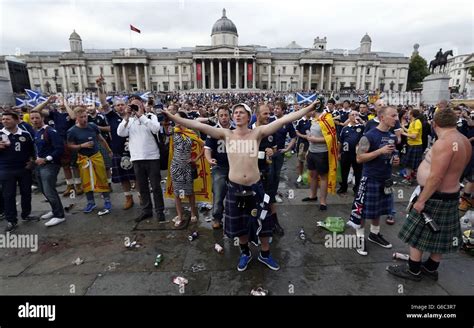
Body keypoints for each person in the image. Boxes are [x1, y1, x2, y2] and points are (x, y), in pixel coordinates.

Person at [162, 99, 320, 272]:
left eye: (241, 112)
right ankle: (245, 253)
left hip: (256, 187)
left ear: (248, 116)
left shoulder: (257, 133)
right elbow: (196, 125)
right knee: (241, 225)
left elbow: (284, 120)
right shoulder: (226, 134)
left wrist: (309, 108)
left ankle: (265, 254)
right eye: (235, 112)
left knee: (264, 222)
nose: (237, 115)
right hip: (235, 188)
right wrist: (172, 116)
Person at [387, 109, 471, 281]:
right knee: (438, 236)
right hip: (451, 194)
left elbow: (436, 177)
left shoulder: (444, 143)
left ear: (435, 124)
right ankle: (431, 269)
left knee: (417, 235)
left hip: (434, 196)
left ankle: (413, 270)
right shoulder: (465, 141)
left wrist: (421, 200)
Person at [348, 106, 400, 256]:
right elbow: (359, 158)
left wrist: (395, 159)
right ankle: (359, 238)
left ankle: (374, 234)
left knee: (380, 209)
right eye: (393, 115)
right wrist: (380, 152)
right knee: (363, 211)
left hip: (386, 178)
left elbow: (393, 153)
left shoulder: (392, 136)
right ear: (382, 117)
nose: (396, 118)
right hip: (370, 177)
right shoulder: (369, 136)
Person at [117, 98, 166, 222]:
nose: (135, 107)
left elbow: (155, 128)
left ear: (142, 105)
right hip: (136, 158)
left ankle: (160, 211)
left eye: (137, 105)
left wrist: (141, 116)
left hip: (152, 157)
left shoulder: (150, 116)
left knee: (155, 186)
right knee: (142, 187)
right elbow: (120, 133)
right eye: (132, 105)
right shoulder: (129, 120)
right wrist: (127, 116)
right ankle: (146, 210)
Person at [96, 76, 136, 210]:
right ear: (114, 107)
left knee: (137, 177)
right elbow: (103, 102)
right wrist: (100, 87)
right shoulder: (112, 116)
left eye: (122, 104)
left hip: (135, 151)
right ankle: (128, 197)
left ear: (126, 106)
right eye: (117, 105)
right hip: (118, 151)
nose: (120, 107)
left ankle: (142, 196)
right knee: (124, 178)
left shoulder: (134, 116)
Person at [67, 107, 113, 214]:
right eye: (81, 117)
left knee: (102, 178)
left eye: (85, 116)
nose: (84, 119)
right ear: (76, 118)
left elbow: (101, 139)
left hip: (96, 156)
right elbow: (69, 146)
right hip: (83, 159)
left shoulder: (92, 126)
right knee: (86, 181)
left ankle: (107, 200)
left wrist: (109, 151)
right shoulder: (72, 131)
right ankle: (91, 202)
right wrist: (82, 145)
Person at [0, 112, 36, 232]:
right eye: (3, 119)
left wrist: (31, 161)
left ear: (16, 120)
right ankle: (11, 220)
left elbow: (32, 150)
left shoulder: (25, 134)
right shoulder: (0, 134)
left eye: (8, 119)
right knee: (8, 195)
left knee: (26, 193)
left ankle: (26, 214)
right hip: (6, 169)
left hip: (23, 168)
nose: (4, 121)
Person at [30, 110, 66, 227]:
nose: (35, 120)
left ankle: (59, 215)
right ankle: (54, 209)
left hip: (50, 165)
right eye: (32, 118)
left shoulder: (50, 131)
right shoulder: (36, 132)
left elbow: (59, 148)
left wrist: (46, 159)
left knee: (49, 190)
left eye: (37, 118)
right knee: (44, 190)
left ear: (42, 118)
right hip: (39, 165)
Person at [168, 111, 204, 226]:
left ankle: (193, 212)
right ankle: (180, 215)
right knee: (178, 193)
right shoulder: (174, 131)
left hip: (187, 166)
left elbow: (204, 145)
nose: (176, 122)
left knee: (189, 192)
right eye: (175, 119)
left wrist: (196, 158)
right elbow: (165, 129)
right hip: (176, 165)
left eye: (178, 119)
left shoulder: (191, 133)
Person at [301, 101, 338, 211]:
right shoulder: (313, 120)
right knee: (312, 174)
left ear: (314, 110)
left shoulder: (327, 119)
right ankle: (313, 195)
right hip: (312, 151)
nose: (307, 112)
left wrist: (315, 139)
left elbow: (332, 137)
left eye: (309, 110)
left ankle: (323, 201)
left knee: (323, 176)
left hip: (322, 153)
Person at [204, 105, 233, 229]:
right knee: (218, 192)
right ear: (217, 116)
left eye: (226, 115)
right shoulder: (213, 130)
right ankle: (217, 217)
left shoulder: (236, 129)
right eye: (221, 115)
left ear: (229, 116)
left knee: (236, 194)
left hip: (234, 166)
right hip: (219, 166)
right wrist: (209, 159)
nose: (224, 118)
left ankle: (234, 217)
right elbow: (207, 149)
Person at [337, 110, 364, 195]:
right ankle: (343, 187)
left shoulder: (362, 127)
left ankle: (357, 188)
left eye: (356, 114)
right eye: (352, 115)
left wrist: (361, 121)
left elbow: (369, 131)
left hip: (357, 154)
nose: (355, 116)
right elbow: (340, 142)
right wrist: (338, 153)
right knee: (344, 171)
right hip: (346, 153)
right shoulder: (345, 128)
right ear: (349, 117)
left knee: (358, 172)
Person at [400, 109, 423, 186]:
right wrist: (403, 127)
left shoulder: (417, 122)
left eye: (409, 113)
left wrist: (403, 133)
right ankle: (409, 178)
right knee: (408, 164)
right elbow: (410, 132)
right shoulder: (412, 122)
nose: (407, 115)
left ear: (412, 114)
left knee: (410, 164)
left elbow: (414, 136)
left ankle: (409, 179)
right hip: (411, 145)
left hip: (415, 145)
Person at [295, 111, 313, 183]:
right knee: (300, 160)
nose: (311, 112)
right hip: (302, 143)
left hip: (312, 143)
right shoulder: (300, 121)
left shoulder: (313, 120)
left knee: (310, 160)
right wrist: (304, 136)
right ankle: (300, 175)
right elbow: (296, 132)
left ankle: (310, 175)